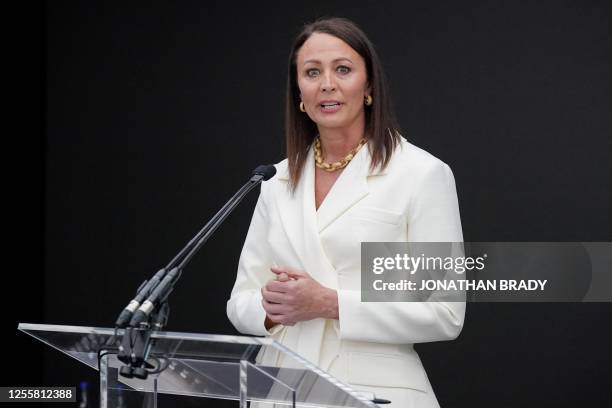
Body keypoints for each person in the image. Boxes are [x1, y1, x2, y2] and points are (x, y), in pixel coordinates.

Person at [227, 17, 464, 407]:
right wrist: (271, 310)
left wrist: (329, 303)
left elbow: (443, 312)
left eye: (343, 69)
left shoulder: (421, 174)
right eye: (312, 72)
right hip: (282, 387)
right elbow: (241, 301)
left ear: (368, 85)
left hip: (374, 391)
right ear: (299, 92)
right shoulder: (275, 179)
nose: (327, 84)